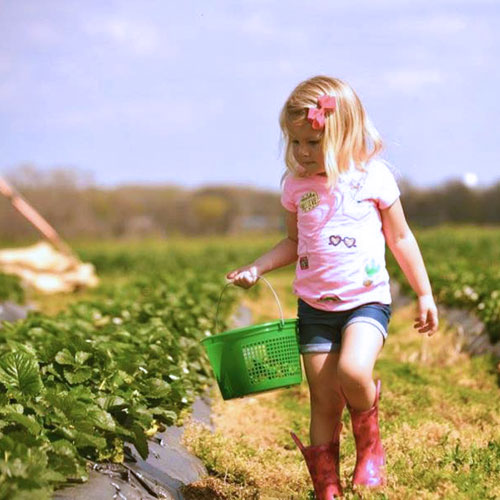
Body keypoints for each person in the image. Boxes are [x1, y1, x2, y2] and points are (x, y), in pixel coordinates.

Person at [226, 76, 438, 498]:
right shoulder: (295, 187)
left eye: (313, 144)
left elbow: (400, 238)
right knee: (323, 400)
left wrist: (424, 293)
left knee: (353, 371)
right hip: (315, 309)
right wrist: (258, 267)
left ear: (344, 138)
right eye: (296, 144)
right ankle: (327, 485)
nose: (303, 154)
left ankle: (370, 445)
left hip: (365, 302)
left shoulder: (372, 180)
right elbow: (293, 242)